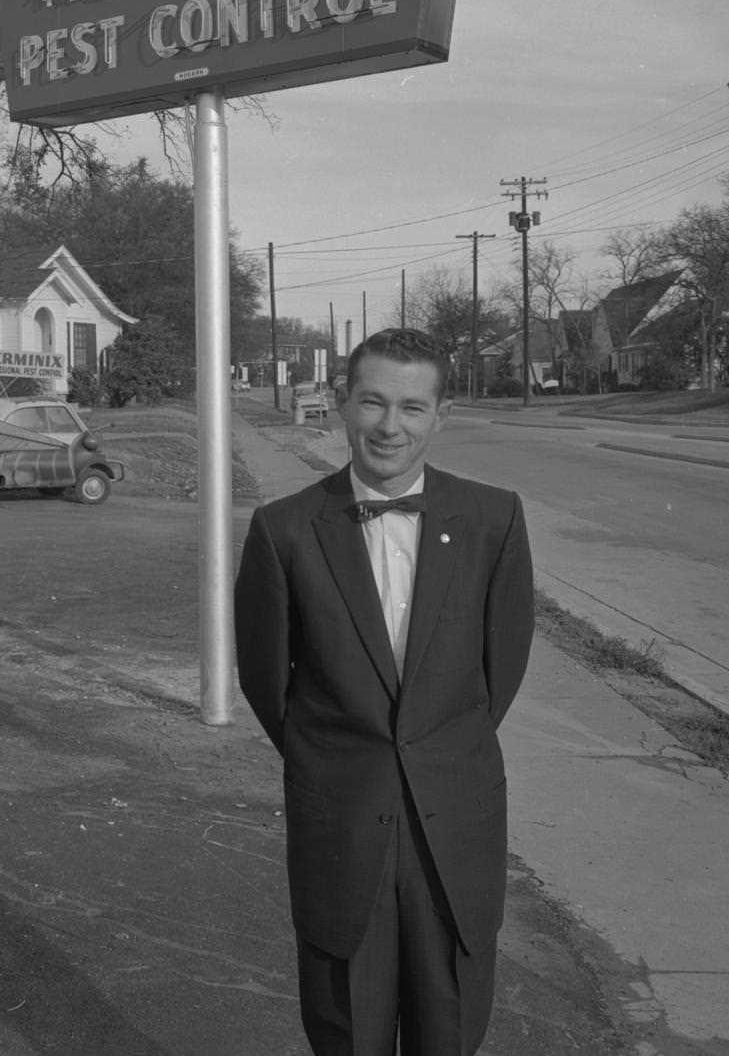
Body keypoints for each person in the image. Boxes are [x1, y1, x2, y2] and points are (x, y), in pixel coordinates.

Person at [234, 328, 533, 1056]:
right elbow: (268, 682)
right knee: (347, 1031)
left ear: (440, 415)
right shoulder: (284, 530)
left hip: (454, 823)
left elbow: (501, 673)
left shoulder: (494, 520)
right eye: (371, 402)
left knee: (450, 1026)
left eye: (411, 407)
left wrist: (433, 747)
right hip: (341, 821)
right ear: (341, 405)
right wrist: (339, 760)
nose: (389, 426)